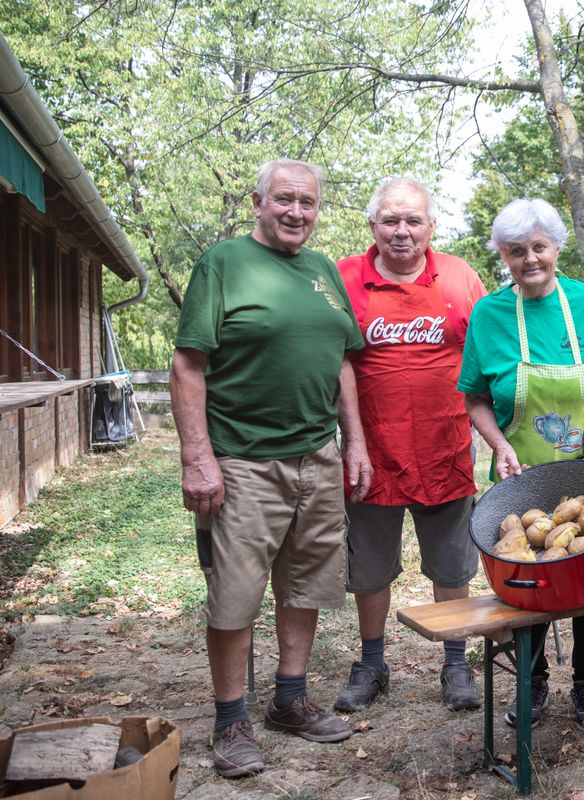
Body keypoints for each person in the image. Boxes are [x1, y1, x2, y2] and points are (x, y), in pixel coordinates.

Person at [170, 159, 371, 779]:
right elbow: (187, 365)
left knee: (307, 583)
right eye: (284, 200)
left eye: (307, 203)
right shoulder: (223, 264)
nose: (296, 213)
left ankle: (289, 699)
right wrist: (197, 456)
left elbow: (342, 360)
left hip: (317, 456)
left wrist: (354, 444)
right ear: (258, 202)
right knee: (235, 594)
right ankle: (231, 719)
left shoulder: (320, 271)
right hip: (243, 461)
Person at [458, 198, 584, 731]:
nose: (530, 259)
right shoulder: (489, 314)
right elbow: (474, 397)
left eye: (539, 247)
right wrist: (497, 443)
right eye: (517, 251)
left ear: (556, 248)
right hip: (520, 483)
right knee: (525, 581)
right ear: (503, 255)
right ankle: (533, 684)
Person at [333, 177, 488, 713]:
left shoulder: (461, 277)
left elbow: (490, 354)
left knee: (452, 564)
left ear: (431, 227)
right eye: (390, 220)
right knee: (370, 566)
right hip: (370, 450)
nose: (402, 232)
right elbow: (335, 361)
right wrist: (350, 439)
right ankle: (372, 663)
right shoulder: (344, 277)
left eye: (413, 221)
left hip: (445, 446)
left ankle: (456, 663)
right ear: (372, 225)